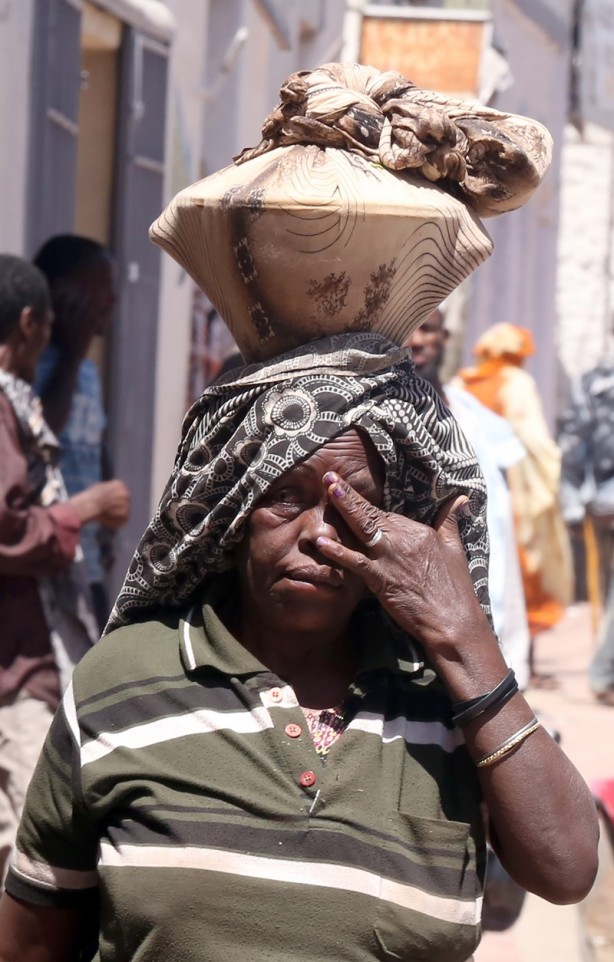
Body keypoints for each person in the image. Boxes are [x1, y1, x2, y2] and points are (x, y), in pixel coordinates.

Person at [0, 64, 598, 962]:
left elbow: (565, 868)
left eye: (355, 503)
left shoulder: (450, 703)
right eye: (283, 496)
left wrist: (461, 636)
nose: (320, 532)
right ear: (228, 507)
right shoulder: (124, 685)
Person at [0, 254, 130, 880]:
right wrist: (79, 512)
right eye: (93, 301)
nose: (106, 315)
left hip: (59, 594)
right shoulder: (16, 395)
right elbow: (12, 518)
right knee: (33, 820)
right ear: (35, 321)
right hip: (25, 621)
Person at [406, 309, 531, 690]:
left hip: (485, 588)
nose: (416, 340)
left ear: (444, 337)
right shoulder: (385, 415)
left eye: (426, 329)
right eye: (407, 330)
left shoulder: (470, 412)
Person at [456, 323, 574, 688]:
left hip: (477, 491)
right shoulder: (516, 383)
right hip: (517, 489)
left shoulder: (461, 384)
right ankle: (523, 662)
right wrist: (556, 476)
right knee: (526, 574)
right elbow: (535, 440)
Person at [33, 234, 129, 632]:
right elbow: (41, 437)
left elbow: (95, 442)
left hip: (85, 563)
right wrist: (72, 355)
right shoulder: (33, 363)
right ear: (59, 293)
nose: (111, 301)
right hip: (44, 562)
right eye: (100, 289)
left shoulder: (87, 370)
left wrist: (106, 531)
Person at [558, 356, 614, 704]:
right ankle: (604, 674)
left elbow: (574, 443)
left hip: (601, 501)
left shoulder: (595, 380)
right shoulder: (597, 383)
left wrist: (574, 503)